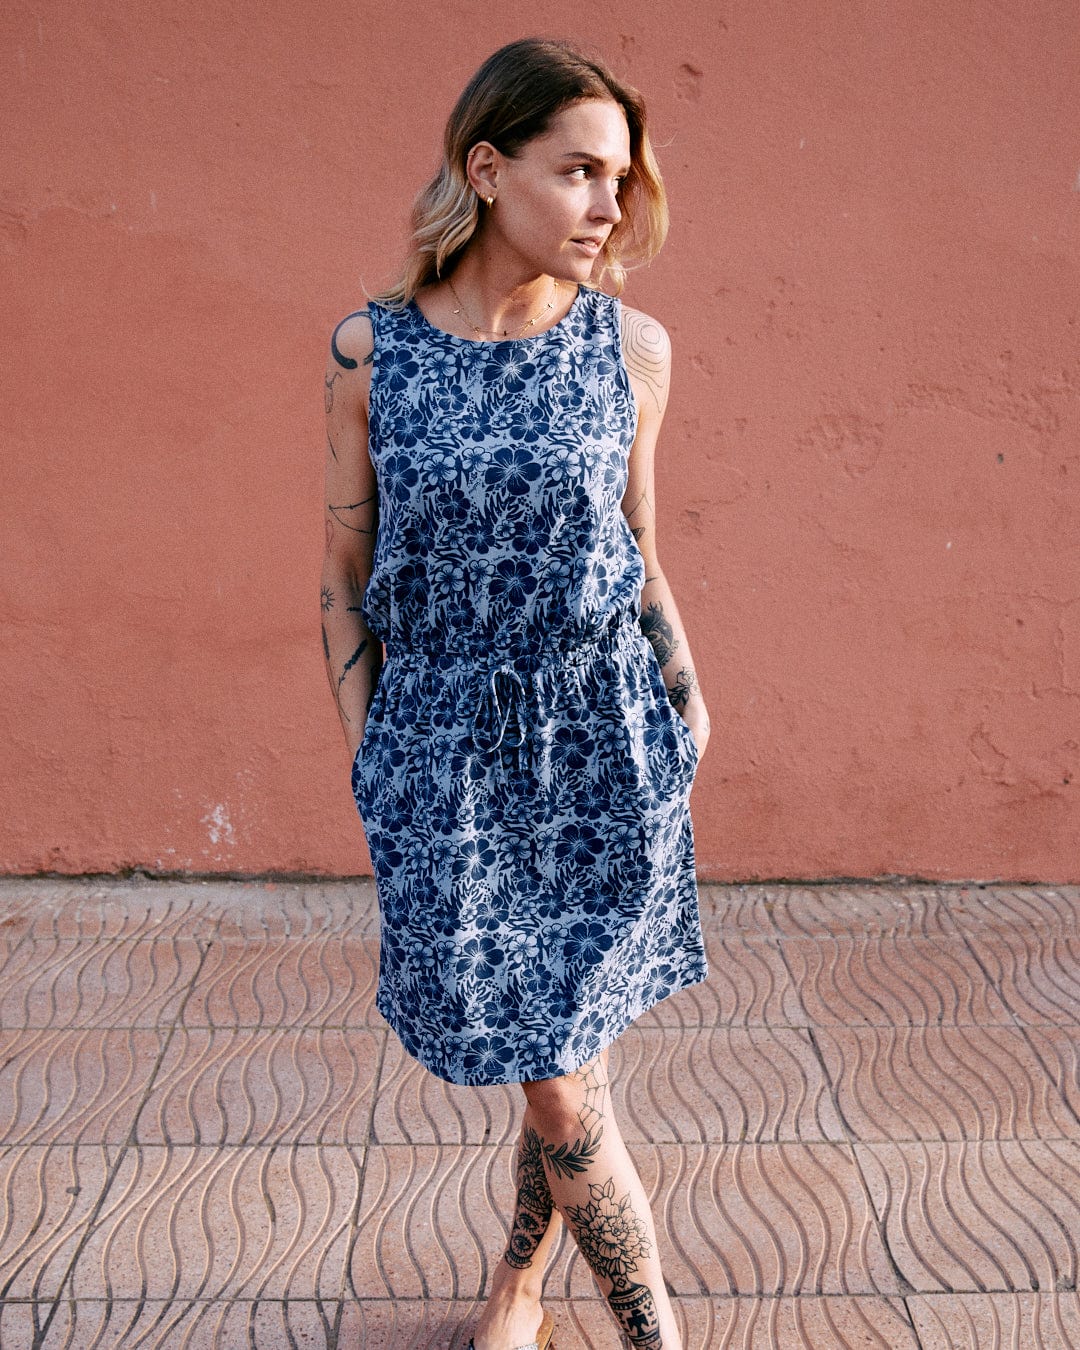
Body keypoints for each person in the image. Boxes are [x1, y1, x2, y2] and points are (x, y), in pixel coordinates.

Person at [321, 37, 710, 1350]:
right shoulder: (369, 351)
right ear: (487, 171)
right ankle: (530, 1295)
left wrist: (688, 700)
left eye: (621, 176)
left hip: (603, 748)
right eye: (580, 170)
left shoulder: (634, 349)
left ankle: (572, 1310)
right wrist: (374, 762)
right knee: (560, 1074)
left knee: (563, 1077)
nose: (611, 205)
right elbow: (342, 572)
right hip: (447, 761)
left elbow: (640, 546)